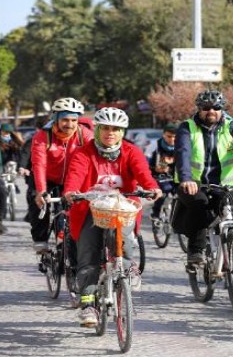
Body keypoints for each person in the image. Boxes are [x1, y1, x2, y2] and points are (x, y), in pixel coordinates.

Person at [62, 107, 162, 327]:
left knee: (124, 239)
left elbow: (143, 173)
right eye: (105, 128)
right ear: (97, 130)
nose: (110, 133)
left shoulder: (131, 151)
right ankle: (88, 304)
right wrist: (71, 192)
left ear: (122, 132)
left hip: (122, 207)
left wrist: (151, 187)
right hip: (90, 209)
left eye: (116, 129)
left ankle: (127, 269)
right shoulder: (83, 152)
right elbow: (75, 175)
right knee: (88, 252)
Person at [172, 90, 233, 265]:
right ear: (199, 109)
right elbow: (183, 154)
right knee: (199, 207)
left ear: (222, 109)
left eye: (216, 107)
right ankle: (196, 251)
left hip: (227, 184)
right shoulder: (187, 127)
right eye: (206, 107)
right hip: (195, 184)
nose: (211, 111)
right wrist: (186, 178)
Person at [30, 97, 94, 253]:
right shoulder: (42, 136)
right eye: (65, 119)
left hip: (72, 179)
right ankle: (40, 240)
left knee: (72, 209)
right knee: (39, 204)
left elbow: (95, 158)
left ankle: (67, 240)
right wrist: (41, 191)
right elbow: (39, 164)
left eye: (74, 120)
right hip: (46, 178)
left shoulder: (84, 134)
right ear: (56, 119)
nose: (70, 124)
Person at [149, 123, 179, 221]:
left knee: (182, 193)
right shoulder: (155, 145)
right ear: (163, 135)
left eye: (175, 137)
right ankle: (156, 213)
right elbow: (146, 163)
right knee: (164, 192)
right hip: (160, 176)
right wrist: (155, 168)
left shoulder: (182, 146)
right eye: (169, 136)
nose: (172, 140)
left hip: (176, 176)